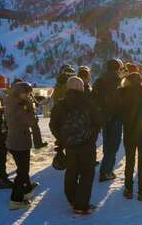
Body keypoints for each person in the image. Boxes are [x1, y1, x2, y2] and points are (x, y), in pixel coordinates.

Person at [50, 77, 101, 216]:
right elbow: (98, 121)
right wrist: (92, 137)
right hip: (87, 145)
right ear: (81, 87)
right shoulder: (88, 103)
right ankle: (81, 205)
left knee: (71, 171)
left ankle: (72, 199)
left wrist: (63, 139)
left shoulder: (61, 104)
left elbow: (53, 125)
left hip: (70, 145)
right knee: (87, 173)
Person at [119, 72, 142, 201]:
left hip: (128, 132)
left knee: (129, 160)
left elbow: (118, 113)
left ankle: (128, 189)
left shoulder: (122, 95)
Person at [5, 82, 39, 210]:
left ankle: (27, 188)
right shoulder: (19, 107)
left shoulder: (11, 101)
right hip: (20, 142)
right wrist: (31, 107)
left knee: (23, 168)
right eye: (28, 93)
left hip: (14, 140)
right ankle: (16, 199)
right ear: (21, 93)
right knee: (23, 170)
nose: (29, 95)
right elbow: (32, 121)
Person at [93, 59, 124, 182]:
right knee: (113, 145)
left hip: (103, 117)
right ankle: (106, 172)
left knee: (107, 144)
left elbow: (94, 97)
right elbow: (122, 100)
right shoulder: (119, 81)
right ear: (117, 68)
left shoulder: (99, 80)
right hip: (116, 117)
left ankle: (105, 169)